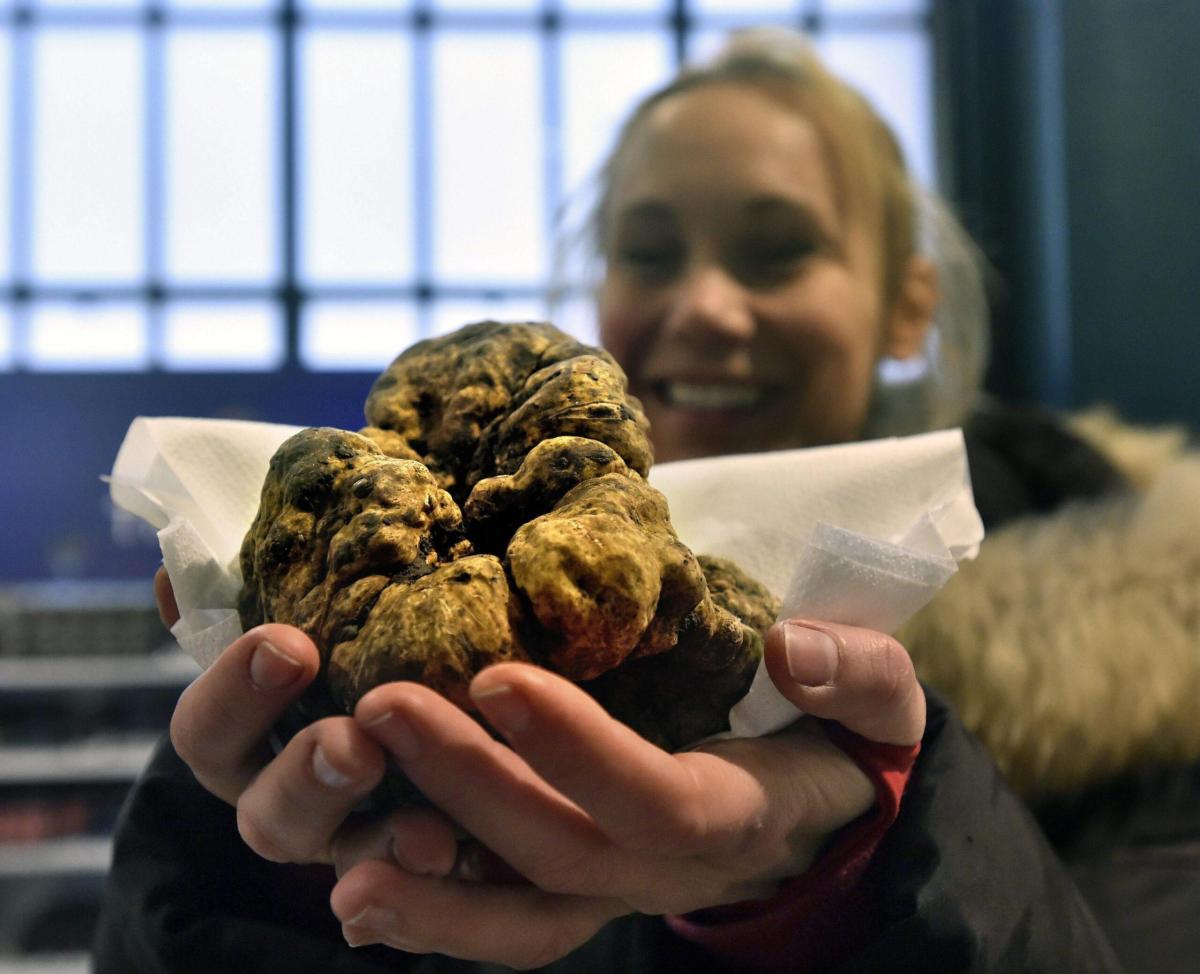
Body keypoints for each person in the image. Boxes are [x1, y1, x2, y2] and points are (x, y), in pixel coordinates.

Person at [92, 28, 1199, 973]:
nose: (708, 306)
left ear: (908, 306)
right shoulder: (365, 591)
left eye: (778, 251)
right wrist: (324, 841)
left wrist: (841, 877)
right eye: (651, 252)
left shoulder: (1146, 655)